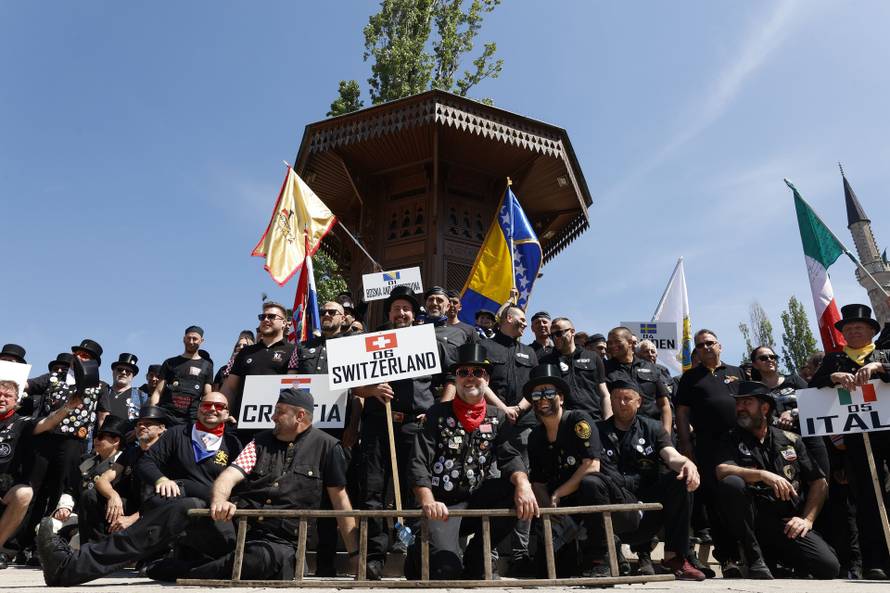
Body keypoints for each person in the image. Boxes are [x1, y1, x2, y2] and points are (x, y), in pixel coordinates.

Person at [406, 343, 538, 580]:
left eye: (477, 372)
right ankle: (419, 549)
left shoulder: (497, 418)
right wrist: (428, 501)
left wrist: (523, 484)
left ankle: (477, 556)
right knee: (446, 572)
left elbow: (509, 456)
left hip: (475, 501)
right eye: (463, 372)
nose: (470, 378)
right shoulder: (437, 414)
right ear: (456, 378)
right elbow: (418, 461)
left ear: (486, 379)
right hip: (441, 506)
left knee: (514, 490)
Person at [351, 285, 437, 579]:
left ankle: (414, 557)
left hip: (415, 426)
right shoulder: (370, 342)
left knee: (416, 489)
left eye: (407, 309)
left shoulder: (428, 341)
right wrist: (372, 389)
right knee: (372, 490)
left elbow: (446, 381)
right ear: (388, 313)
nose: (401, 313)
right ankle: (374, 557)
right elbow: (353, 385)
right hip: (378, 424)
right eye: (396, 308)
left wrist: (432, 413)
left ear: (414, 314)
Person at [716, 381, 839, 579]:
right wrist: (762, 475)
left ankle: (778, 562)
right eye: (738, 403)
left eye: (747, 403)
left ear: (764, 408)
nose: (740, 408)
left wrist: (806, 520)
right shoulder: (730, 438)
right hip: (752, 521)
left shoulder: (791, 440)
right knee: (731, 483)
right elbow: (722, 470)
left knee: (828, 567)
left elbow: (819, 482)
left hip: (785, 522)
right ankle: (754, 559)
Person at [592, 379, 704, 580]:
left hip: (649, 507)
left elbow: (671, 455)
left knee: (680, 478)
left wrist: (687, 463)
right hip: (617, 504)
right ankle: (601, 557)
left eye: (627, 398)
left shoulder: (653, 427)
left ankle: (674, 557)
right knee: (592, 482)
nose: (621, 403)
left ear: (639, 402)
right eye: (616, 398)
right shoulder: (597, 430)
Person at [809, 303, 890, 579]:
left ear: (871, 331)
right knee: (867, 501)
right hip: (857, 442)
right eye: (850, 328)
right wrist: (832, 376)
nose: (854, 331)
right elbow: (813, 389)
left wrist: (879, 367)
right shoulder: (834, 360)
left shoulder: (884, 354)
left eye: (860, 327)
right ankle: (876, 562)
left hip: (887, 437)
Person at [23, 339, 107, 561]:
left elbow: (103, 417)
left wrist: (100, 444)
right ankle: (17, 544)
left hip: (73, 442)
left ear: (94, 363)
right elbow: (26, 385)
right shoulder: (54, 377)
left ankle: (47, 546)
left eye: (86, 356)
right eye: (77, 353)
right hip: (44, 439)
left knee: (60, 492)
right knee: (33, 489)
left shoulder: (99, 385)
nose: (79, 358)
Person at [292, 299, 359, 576]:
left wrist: (352, 428)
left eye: (334, 312)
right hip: (303, 432)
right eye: (324, 312)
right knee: (299, 493)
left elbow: (357, 392)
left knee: (332, 495)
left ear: (344, 318)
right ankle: (294, 561)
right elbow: (290, 384)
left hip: (336, 433)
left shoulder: (353, 346)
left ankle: (327, 565)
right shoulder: (302, 348)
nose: (328, 315)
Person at [675, 329, 746, 576]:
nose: (706, 347)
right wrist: (686, 445)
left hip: (740, 444)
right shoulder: (689, 378)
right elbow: (682, 413)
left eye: (710, 343)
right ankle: (728, 558)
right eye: (700, 345)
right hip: (708, 446)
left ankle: (754, 554)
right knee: (717, 501)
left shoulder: (738, 372)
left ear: (720, 346)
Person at [525, 364, 601, 576]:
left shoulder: (579, 420)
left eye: (549, 393)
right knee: (548, 570)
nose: (543, 399)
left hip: (587, 500)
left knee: (591, 483)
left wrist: (558, 494)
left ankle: (601, 555)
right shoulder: (535, 436)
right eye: (537, 394)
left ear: (561, 398)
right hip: (558, 510)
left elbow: (592, 465)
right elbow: (538, 482)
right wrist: (549, 511)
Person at [478, 305, 538, 573]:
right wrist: (503, 409)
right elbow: (480, 382)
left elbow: (534, 387)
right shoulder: (485, 346)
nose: (525, 324)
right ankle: (488, 552)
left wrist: (519, 408)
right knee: (490, 484)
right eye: (521, 319)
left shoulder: (530, 352)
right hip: (491, 423)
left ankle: (520, 553)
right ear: (508, 319)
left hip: (524, 426)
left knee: (524, 488)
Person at [136, 392, 242, 505]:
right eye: (206, 405)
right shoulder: (176, 433)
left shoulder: (232, 443)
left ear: (227, 413)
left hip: (213, 506)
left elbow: (240, 481)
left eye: (219, 406)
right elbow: (146, 462)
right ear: (198, 409)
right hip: (175, 501)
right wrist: (161, 480)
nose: (212, 409)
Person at [89, 406, 168, 540]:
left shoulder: (168, 454)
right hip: (133, 505)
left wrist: (132, 519)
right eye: (139, 424)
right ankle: (95, 547)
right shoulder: (131, 453)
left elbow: (168, 498)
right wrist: (113, 496)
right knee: (91, 496)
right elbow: (103, 479)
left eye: (148, 423)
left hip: (156, 511)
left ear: (161, 428)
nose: (142, 426)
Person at [221, 303, 295, 436]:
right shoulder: (245, 352)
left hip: (276, 427)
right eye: (262, 317)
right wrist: (223, 412)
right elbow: (230, 388)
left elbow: (294, 388)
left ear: (284, 323)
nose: (266, 319)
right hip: (240, 425)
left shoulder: (293, 351)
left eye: (271, 316)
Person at [541, 317, 611, 421]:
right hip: (561, 422)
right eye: (552, 335)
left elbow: (604, 394)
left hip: (594, 419)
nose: (555, 338)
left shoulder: (593, 357)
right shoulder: (546, 361)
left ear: (572, 332)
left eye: (559, 333)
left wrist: (608, 421)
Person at [604, 327, 671, 433]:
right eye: (610, 343)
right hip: (618, 432)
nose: (612, 346)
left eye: (617, 341)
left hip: (650, 431)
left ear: (630, 343)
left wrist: (666, 433)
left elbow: (664, 404)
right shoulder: (604, 369)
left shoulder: (651, 368)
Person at [74, 415, 129, 543]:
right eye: (95, 436)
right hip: (81, 516)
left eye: (101, 437)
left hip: (109, 521)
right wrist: (64, 507)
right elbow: (72, 489)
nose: (95, 440)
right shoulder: (86, 462)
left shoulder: (125, 463)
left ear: (116, 441)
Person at [151, 326, 214, 425]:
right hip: (166, 416)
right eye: (188, 338)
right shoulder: (170, 362)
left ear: (201, 341)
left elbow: (207, 395)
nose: (191, 341)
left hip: (191, 418)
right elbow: (158, 392)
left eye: (195, 339)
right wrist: (152, 415)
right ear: (184, 339)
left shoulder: (207, 366)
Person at [97, 354, 148, 429]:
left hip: (127, 436)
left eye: (128, 371)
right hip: (100, 435)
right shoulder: (102, 391)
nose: (124, 372)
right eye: (120, 369)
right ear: (113, 372)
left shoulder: (142, 397)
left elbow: (147, 421)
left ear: (133, 376)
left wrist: (135, 431)